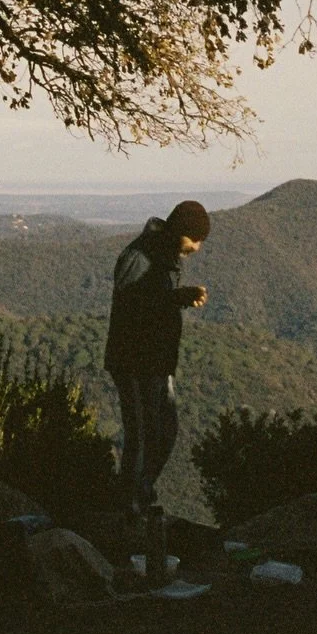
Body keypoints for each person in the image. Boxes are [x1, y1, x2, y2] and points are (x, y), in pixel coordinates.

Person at [103, 201, 211, 516]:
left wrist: (178, 298)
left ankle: (141, 493)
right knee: (142, 433)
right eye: (194, 239)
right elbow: (131, 307)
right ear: (178, 231)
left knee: (164, 431)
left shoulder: (163, 256)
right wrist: (175, 298)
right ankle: (130, 506)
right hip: (134, 361)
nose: (197, 247)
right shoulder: (140, 257)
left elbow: (152, 302)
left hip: (157, 361)